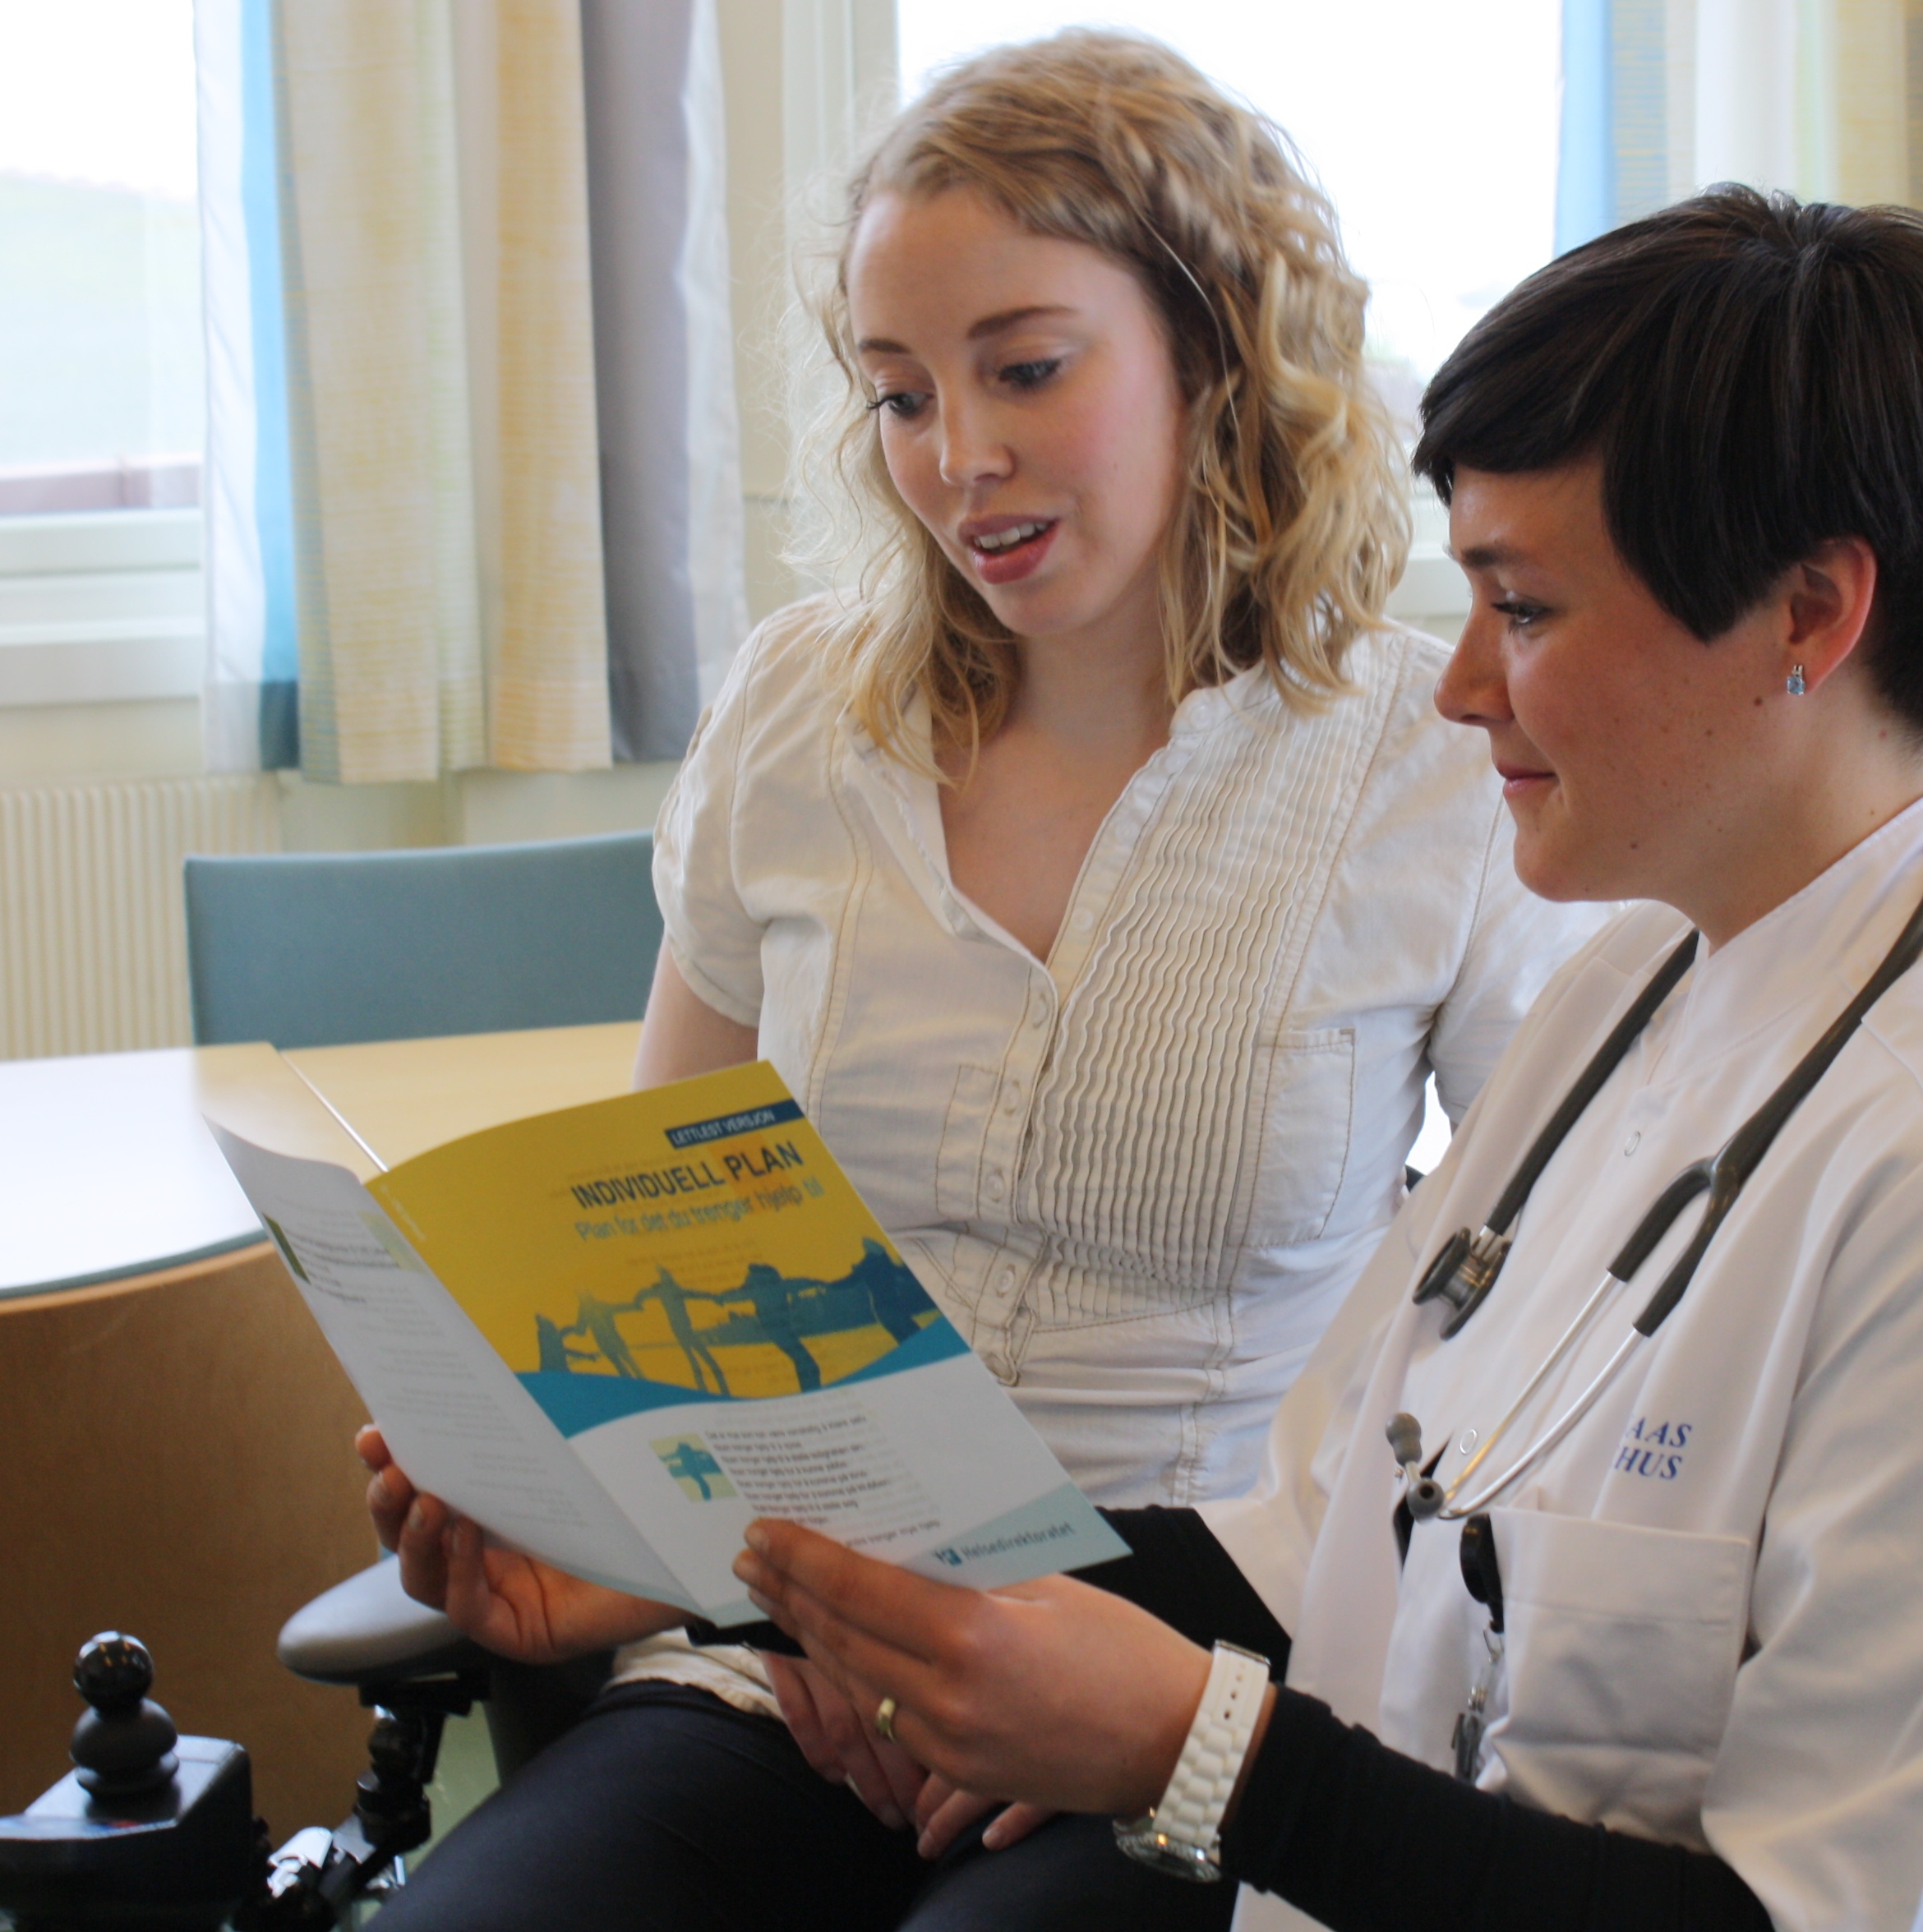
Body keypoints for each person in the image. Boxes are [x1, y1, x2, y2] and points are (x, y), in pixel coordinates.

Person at [731, 189, 1923, 1930]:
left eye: (1526, 610)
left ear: (1810, 616)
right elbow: (1331, 1530)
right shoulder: (1646, 980)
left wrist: (1203, 1757)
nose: (1458, 690)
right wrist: (745, 1570)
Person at [357, 30, 1605, 1932]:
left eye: (1027, 368)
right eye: (899, 393)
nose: (958, 457)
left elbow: (1530, 1346)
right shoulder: (798, 709)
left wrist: (1109, 1679)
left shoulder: (1428, 760)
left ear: (1215, 345)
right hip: (781, 1658)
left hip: (1176, 1691)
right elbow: (645, 1265)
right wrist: (631, 1543)